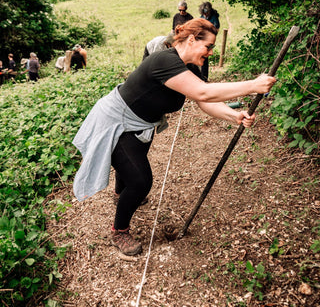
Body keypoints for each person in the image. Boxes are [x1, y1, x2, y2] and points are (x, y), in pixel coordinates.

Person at [72, 18, 276, 256]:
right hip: (116, 121)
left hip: (141, 124)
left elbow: (203, 100)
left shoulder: (189, 68)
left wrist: (234, 116)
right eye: (208, 46)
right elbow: (203, 92)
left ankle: (120, 195)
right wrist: (253, 85)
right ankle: (119, 230)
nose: (210, 52)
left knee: (130, 165)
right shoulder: (164, 60)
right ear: (191, 39)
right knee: (140, 181)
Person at [199, 2, 221, 81]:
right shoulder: (202, 16)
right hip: (202, 39)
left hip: (209, 40)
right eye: (203, 13)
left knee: (205, 57)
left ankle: (204, 77)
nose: (205, 14)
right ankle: (201, 76)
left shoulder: (214, 17)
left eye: (206, 13)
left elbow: (216, 29)